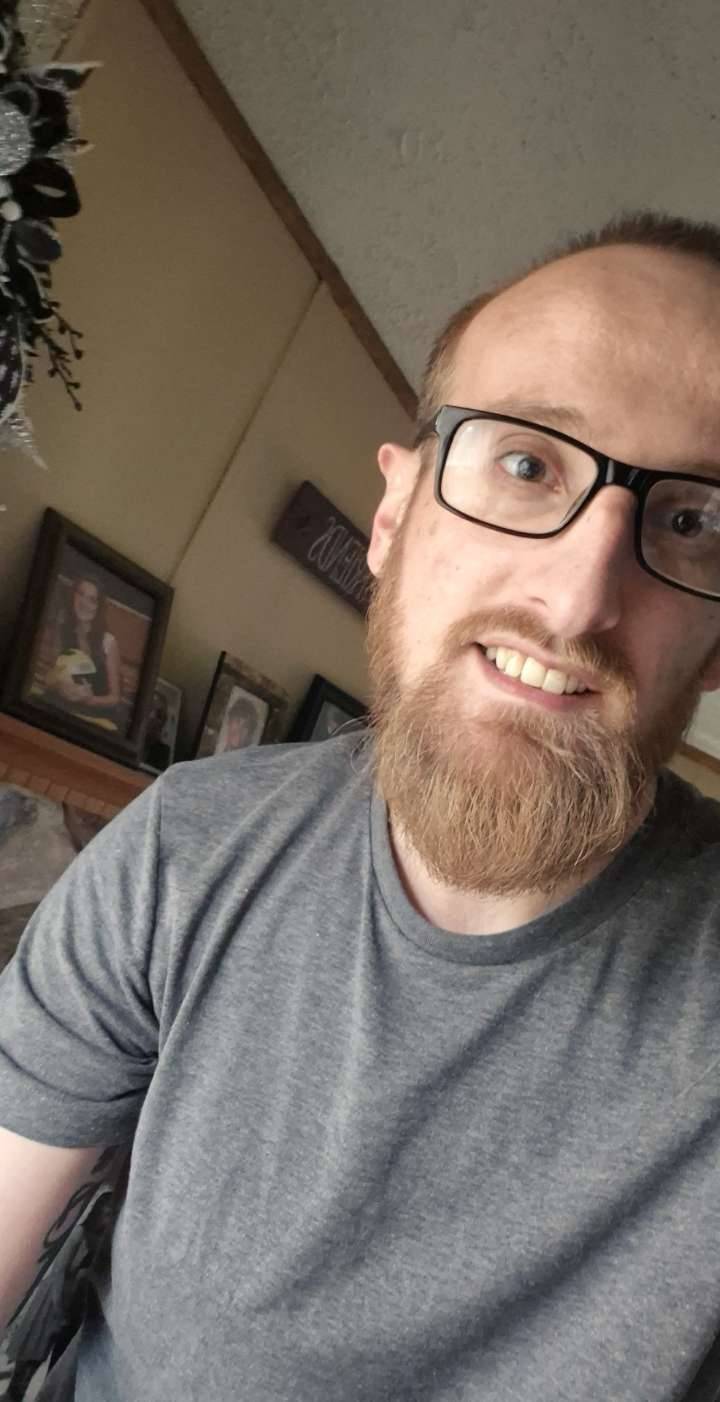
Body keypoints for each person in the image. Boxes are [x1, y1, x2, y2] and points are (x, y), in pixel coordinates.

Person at [5, 209, 720, 1401]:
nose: (576, 598)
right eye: (527, 463)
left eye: (693, 522)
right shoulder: (185, 851)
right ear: (394, 517)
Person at [40, 575, 123, 731]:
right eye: (80, 594)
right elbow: (52, 675)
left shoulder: (108, 642)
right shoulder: (62, 629)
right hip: (64, 703)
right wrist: (61, 686)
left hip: (97, 711)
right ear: (73, 596)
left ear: (99, 607)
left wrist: (90, 700)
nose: (84, 602)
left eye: (92, 600)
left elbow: (115, 698)